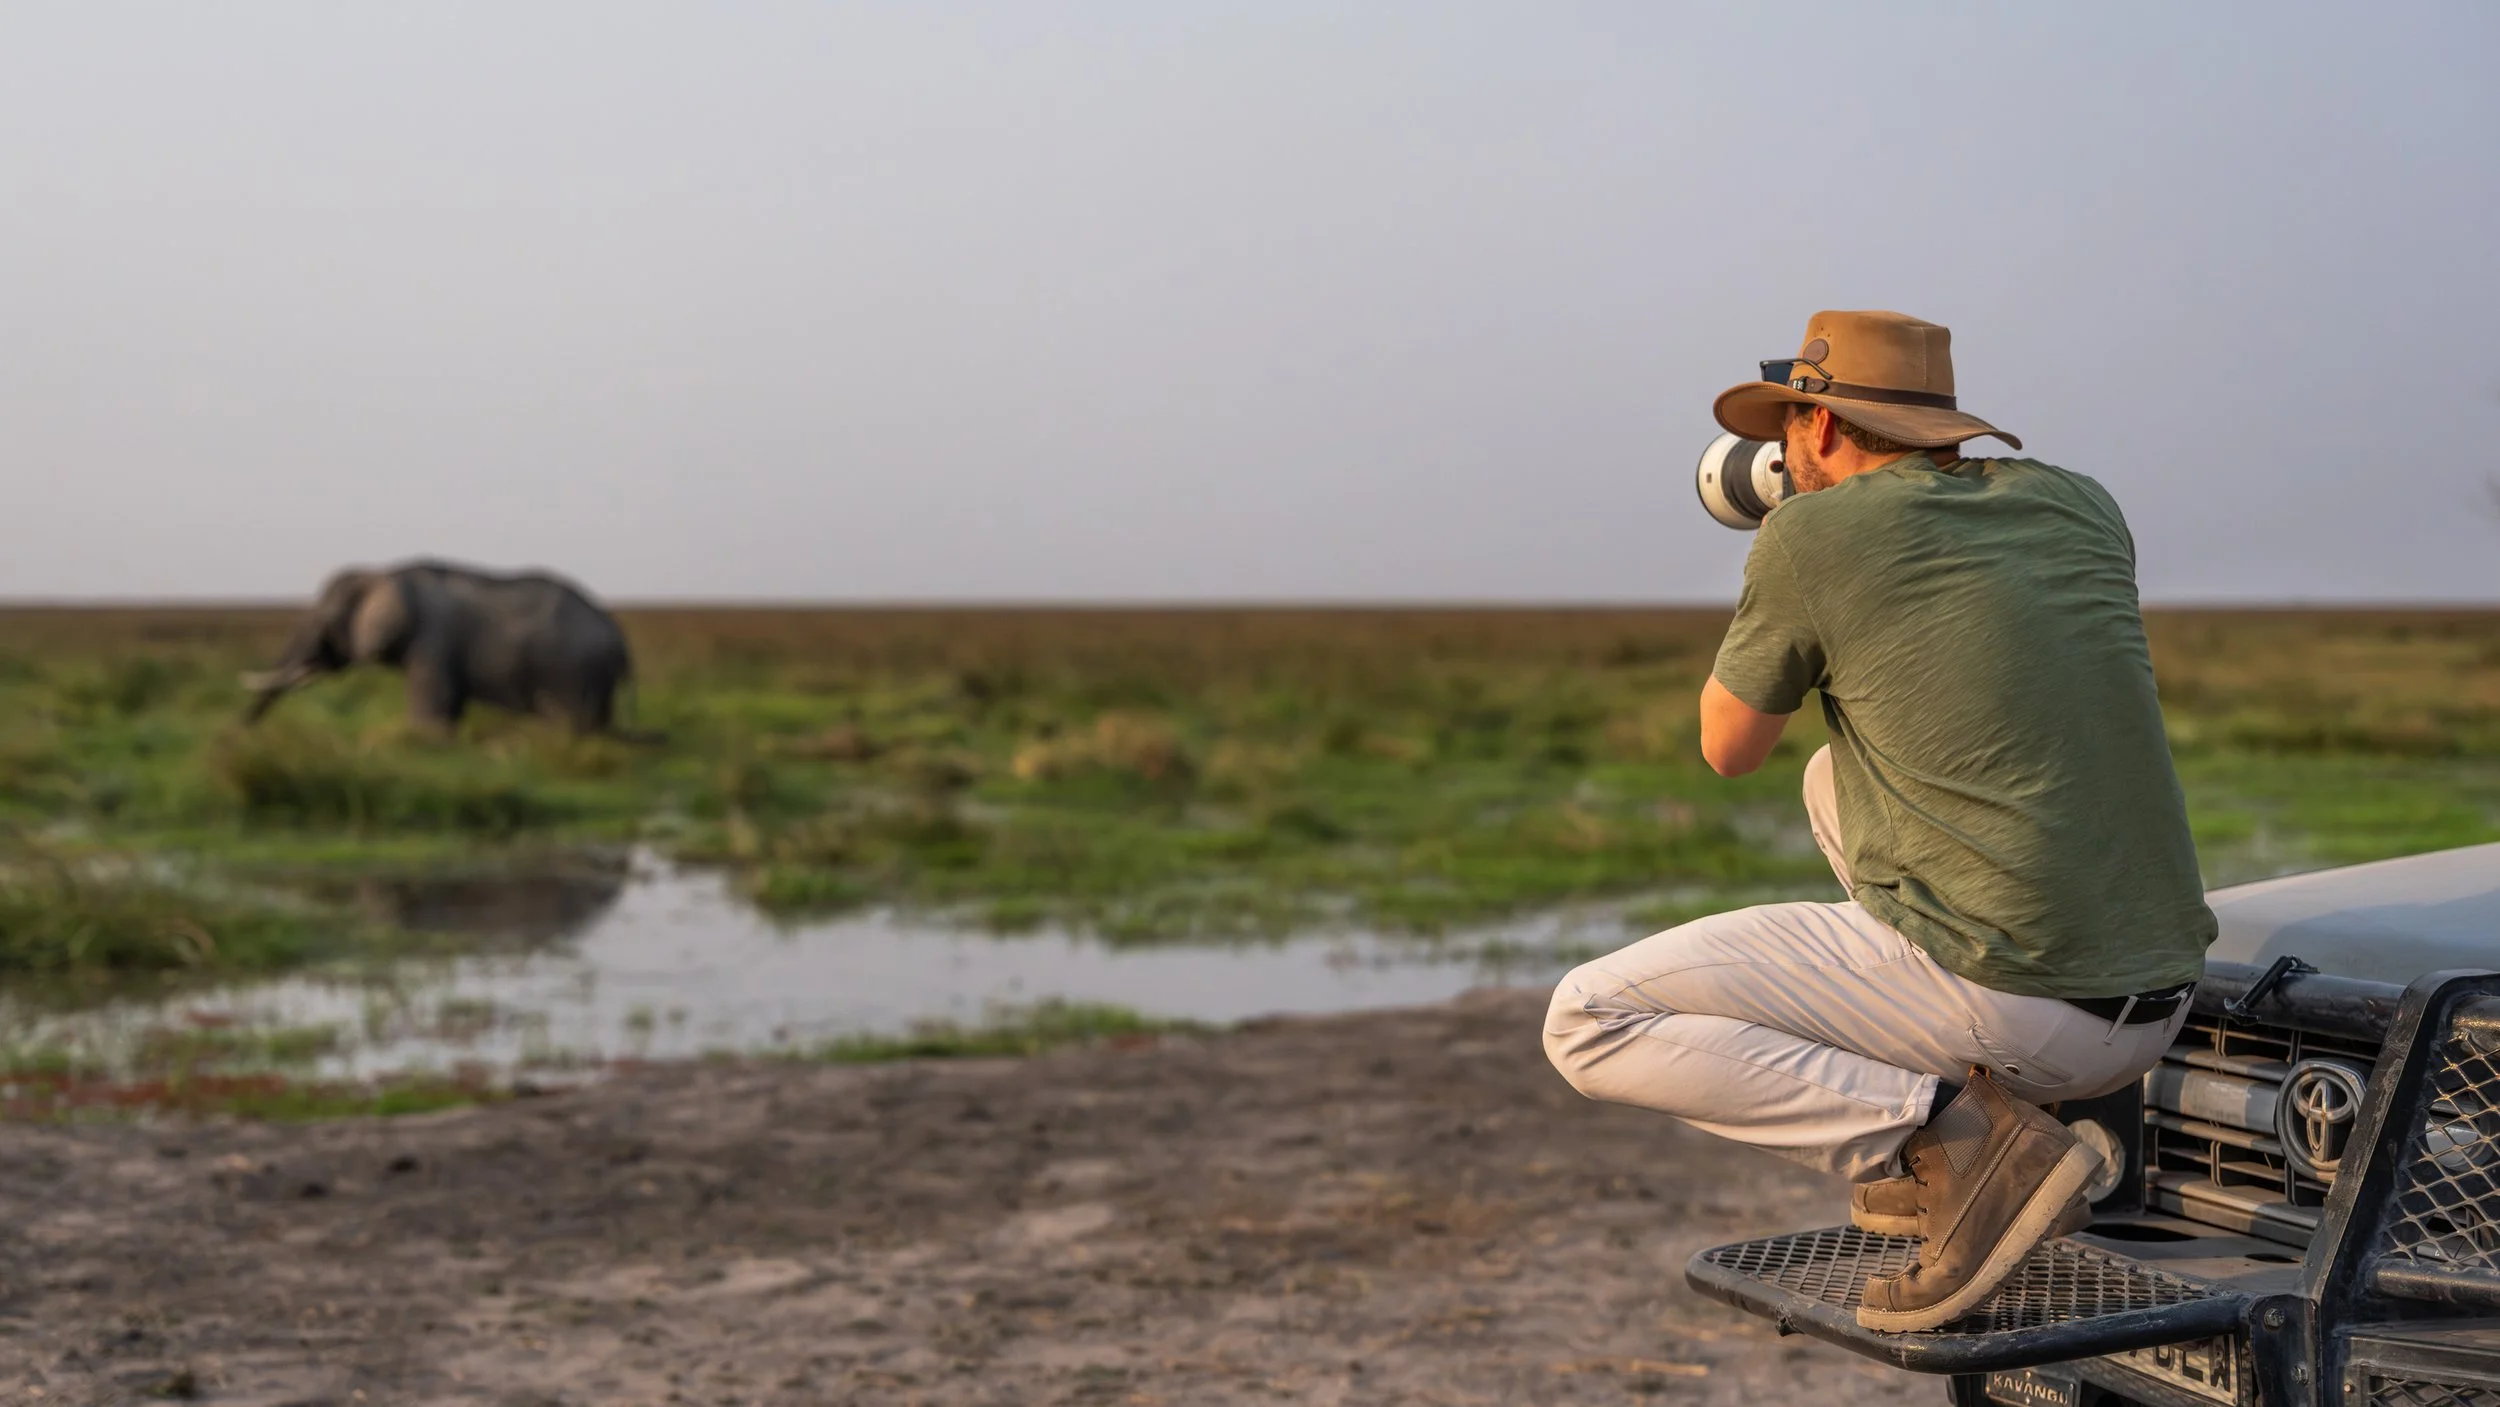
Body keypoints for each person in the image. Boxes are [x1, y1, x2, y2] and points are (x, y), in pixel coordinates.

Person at [1542, 310, 2217, 1333]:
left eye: (1786, 430)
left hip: (2021, 1003)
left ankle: (1951, 1144)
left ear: (1816, 428)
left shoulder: (1812, 536)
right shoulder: (2079, 504)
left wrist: (1785, 552)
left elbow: (1725, 748)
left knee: (1587, 1019)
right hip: (2153, 1000)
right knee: (1831, 774)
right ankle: (1985, 1118)